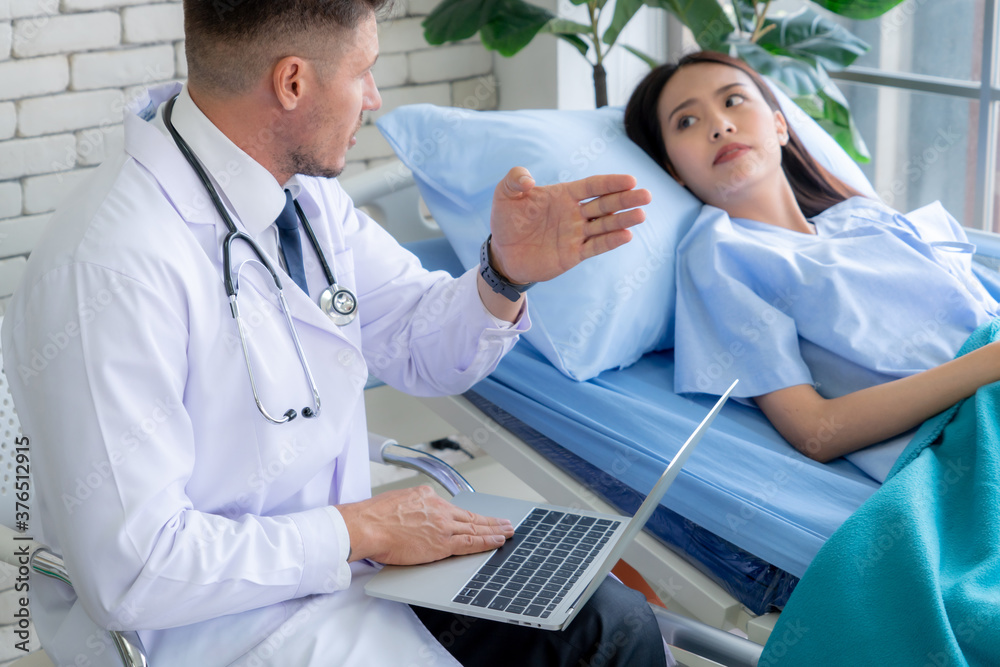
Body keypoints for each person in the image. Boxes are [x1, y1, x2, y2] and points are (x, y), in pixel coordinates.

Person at [0, 2, 671, 666]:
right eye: (364, 72)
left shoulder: (303, 195)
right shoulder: (110, 266)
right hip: (210, 625)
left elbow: (416, 343)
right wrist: (361, 527)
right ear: (293, 82)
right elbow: (136, 570)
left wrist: (503, 273)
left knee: (610, 624)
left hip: (349, 570)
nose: (375, 98)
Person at [624, 51, 1000, 475]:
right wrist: (988, 364)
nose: (721, 126)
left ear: (780, 125)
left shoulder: (861, 215)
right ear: (673, 170)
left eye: (732, 101)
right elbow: (813, 430)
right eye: (686, 121)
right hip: (969, 428)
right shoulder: (720, 254)